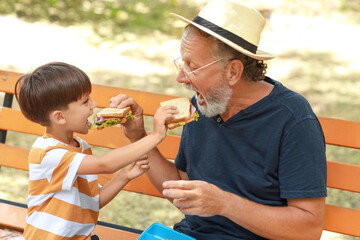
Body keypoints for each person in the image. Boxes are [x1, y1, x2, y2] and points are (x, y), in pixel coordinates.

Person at [110, 0, 327, 239]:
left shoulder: (293, 119)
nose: (181, 77)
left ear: (233, 72)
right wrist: (138, 136)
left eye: (192, 66)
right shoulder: (202, 105)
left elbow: (309, 229)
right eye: (182, 63)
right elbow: (182, 188)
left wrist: (225, 204)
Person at [15, 62, 178, 240]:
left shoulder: (81, 147)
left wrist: (124, 175)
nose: (94, 105)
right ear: (60, 117)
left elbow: (92, 202)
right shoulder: (48, 153)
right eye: (85, 101)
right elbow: (105, 164)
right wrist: (155, 136)